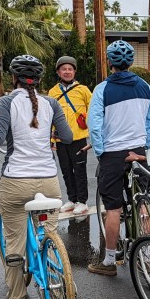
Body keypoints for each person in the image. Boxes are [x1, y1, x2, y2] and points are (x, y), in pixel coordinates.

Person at [0, 55, 72, 299]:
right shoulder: (51, 103)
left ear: (13, 78)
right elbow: (69, 136)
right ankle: (61, 285)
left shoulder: (7, 101)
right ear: (39, 80)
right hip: (49, 181)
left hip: (16, 181)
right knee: (48, 234)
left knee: (14, 243)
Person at [86, 39, 150, 277]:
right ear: (130, 63)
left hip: (113, 153)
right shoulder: (145, 87)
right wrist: (144, 146)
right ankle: (146, 254)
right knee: (142, 202)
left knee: (113, 209)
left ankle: (109, 261)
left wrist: (101, 152)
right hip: (137, 151)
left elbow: (95, 127)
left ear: (110, 63)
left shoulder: (102, 89)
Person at [48, 55, 93, 216]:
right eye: (63, 69)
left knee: (79, 170)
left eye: (70, 69)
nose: (67, 72)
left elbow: (93, 111)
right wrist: (52, 139)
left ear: (74, 71)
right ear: (58, 72)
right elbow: (50, 117)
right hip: (60, 139)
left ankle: (82, 201)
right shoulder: (52, 92)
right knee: (66, 170)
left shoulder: (83, 90)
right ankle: (72, 199)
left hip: (78, 137)